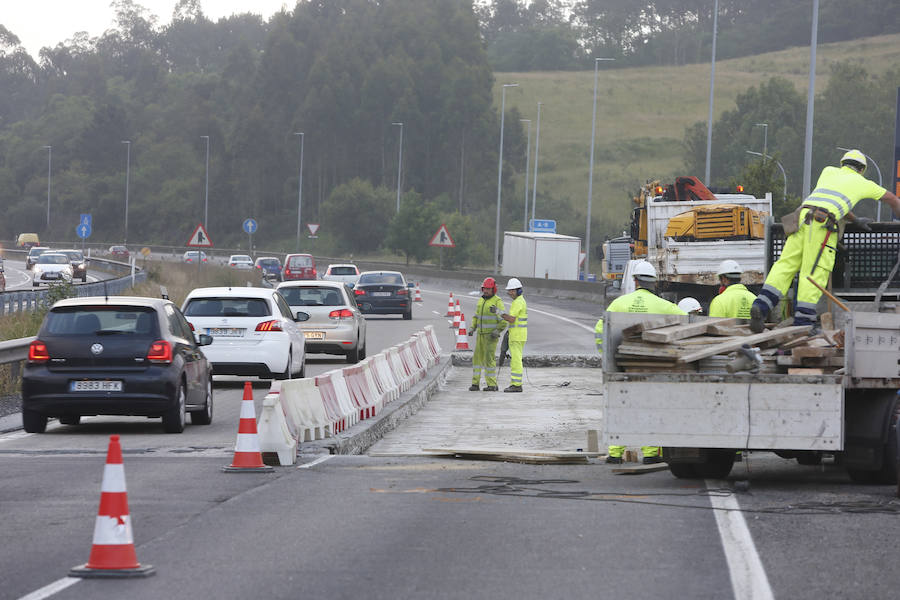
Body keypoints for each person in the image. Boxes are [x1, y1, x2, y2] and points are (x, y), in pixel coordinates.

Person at [750, 149, 900, 332]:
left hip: (802, 216)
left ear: (842, 164)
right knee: (813, 271)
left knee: (786, 265)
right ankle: (804, 323)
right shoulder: (862, 182)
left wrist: (855, 219)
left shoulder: (828, 171)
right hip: (822, 225)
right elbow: (893, 199)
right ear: (862, 170)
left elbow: (834, 200)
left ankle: (761, 305)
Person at [600, 260, 687, 464]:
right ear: (654, 283)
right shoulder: (666, 307)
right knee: (650, 407)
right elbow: (687, 325)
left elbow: (599, 329)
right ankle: (649, 454)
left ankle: (614, 454)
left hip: (622, 364)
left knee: (620, 407)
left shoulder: (619, 303)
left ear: (635, 280)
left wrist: (607, 356)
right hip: (653, 365)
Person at [468, 277, 507, 391]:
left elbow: (503, 319)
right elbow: (476, 316)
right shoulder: (481, 300)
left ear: (493, 289)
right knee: (477, 360)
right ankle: (475, 383)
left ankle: (492, 385)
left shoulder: (497, 301)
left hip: (491, 337)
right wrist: (472, 328)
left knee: (489, 360)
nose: (485, 291)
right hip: (480, 335)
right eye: (484, 289)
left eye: (488, 289)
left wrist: (497, 330)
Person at [500, 277, 527, 392]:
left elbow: (511, 319)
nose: (510, 293)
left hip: (516, 336)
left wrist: (499, 313)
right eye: (509, 291)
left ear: (518, 290)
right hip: (518, 335)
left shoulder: (518, 302)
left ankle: (516, 385)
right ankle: (515, 383)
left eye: (512, 290)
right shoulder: (520, 301)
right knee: (516, 360)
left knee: (516, 361)